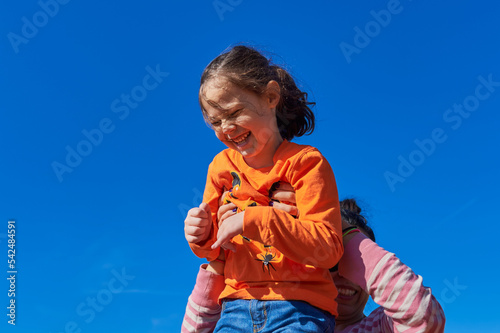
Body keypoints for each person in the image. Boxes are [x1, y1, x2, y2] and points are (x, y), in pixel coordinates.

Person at [184, 45, 343, 332]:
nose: (227, 128)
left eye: (233, 112)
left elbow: (328, 248)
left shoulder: (306, 162)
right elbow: (214, 248)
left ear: (270, 97)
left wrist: (255, 219)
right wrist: (199, 233)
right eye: (216, 121)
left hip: (301, 307)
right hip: (234, 307)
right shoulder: (220, 167)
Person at [182, 197, 446, 333]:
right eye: (330, 265)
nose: (346, 278)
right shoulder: (276, 321)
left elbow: (423, 317)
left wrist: (340, 231)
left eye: (356, 267)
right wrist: (220, 256)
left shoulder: (378, 328)